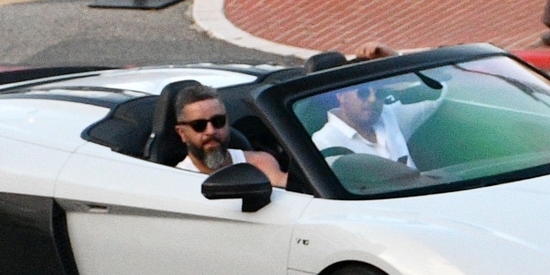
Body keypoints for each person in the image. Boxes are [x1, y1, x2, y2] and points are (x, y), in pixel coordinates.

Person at [169, 83, 286, 186]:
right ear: (182, 133)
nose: (211, 131)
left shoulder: (259, 163)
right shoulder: (177, 182)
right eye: (199, 125)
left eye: (218, 121)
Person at [309, 74, 437, 167]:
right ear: (341, 95)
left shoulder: (392, 114)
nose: (372, 99)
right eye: (363, 93)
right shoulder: (325, 142)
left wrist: (395, 58)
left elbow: (438, 89)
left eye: (380, 93)